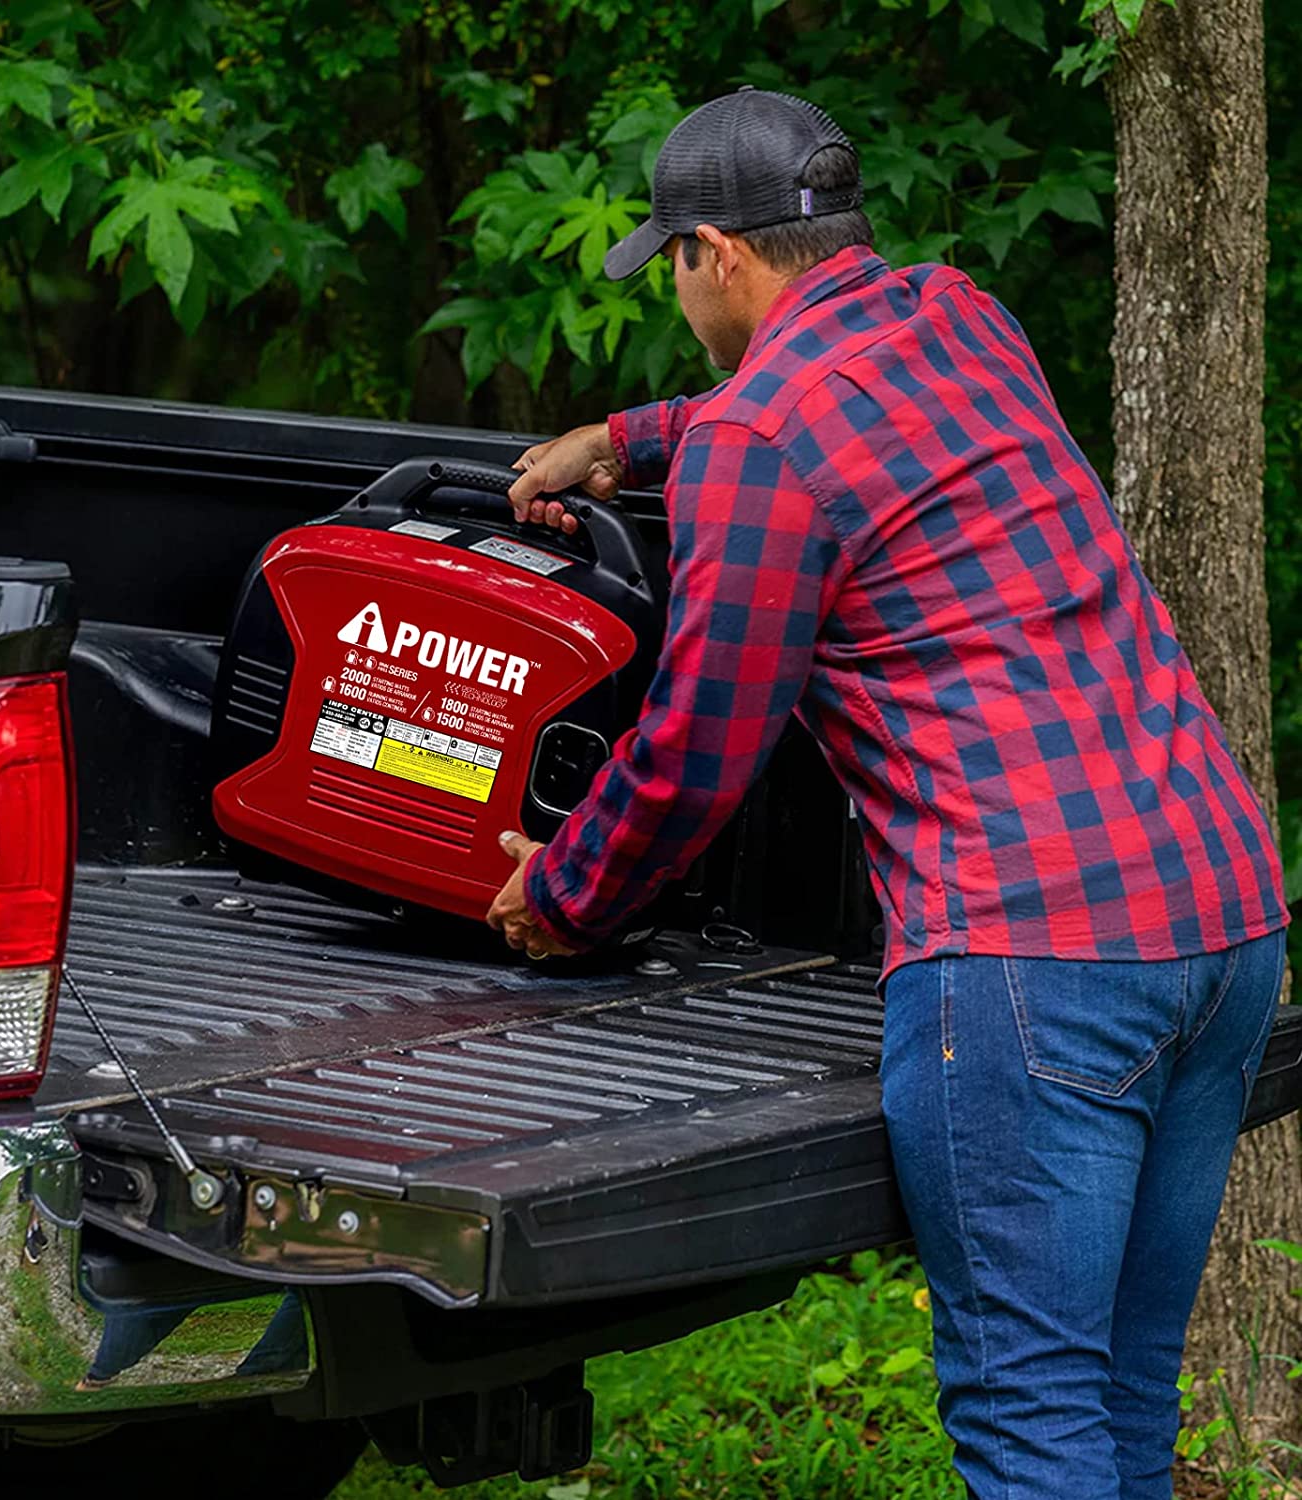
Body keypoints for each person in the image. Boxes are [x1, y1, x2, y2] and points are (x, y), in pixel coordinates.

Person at [485, 87, 1290, 1500]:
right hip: (1221, 913)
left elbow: (696, 751)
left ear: (715, 254)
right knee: (1118, 1399)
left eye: (673, 266)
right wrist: (628, 437)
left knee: (1032, 1420)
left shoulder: (760, 441)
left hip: (1036, 960)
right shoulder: (960, 317)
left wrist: (562, 894)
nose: (678, 295)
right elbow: (815, 408)